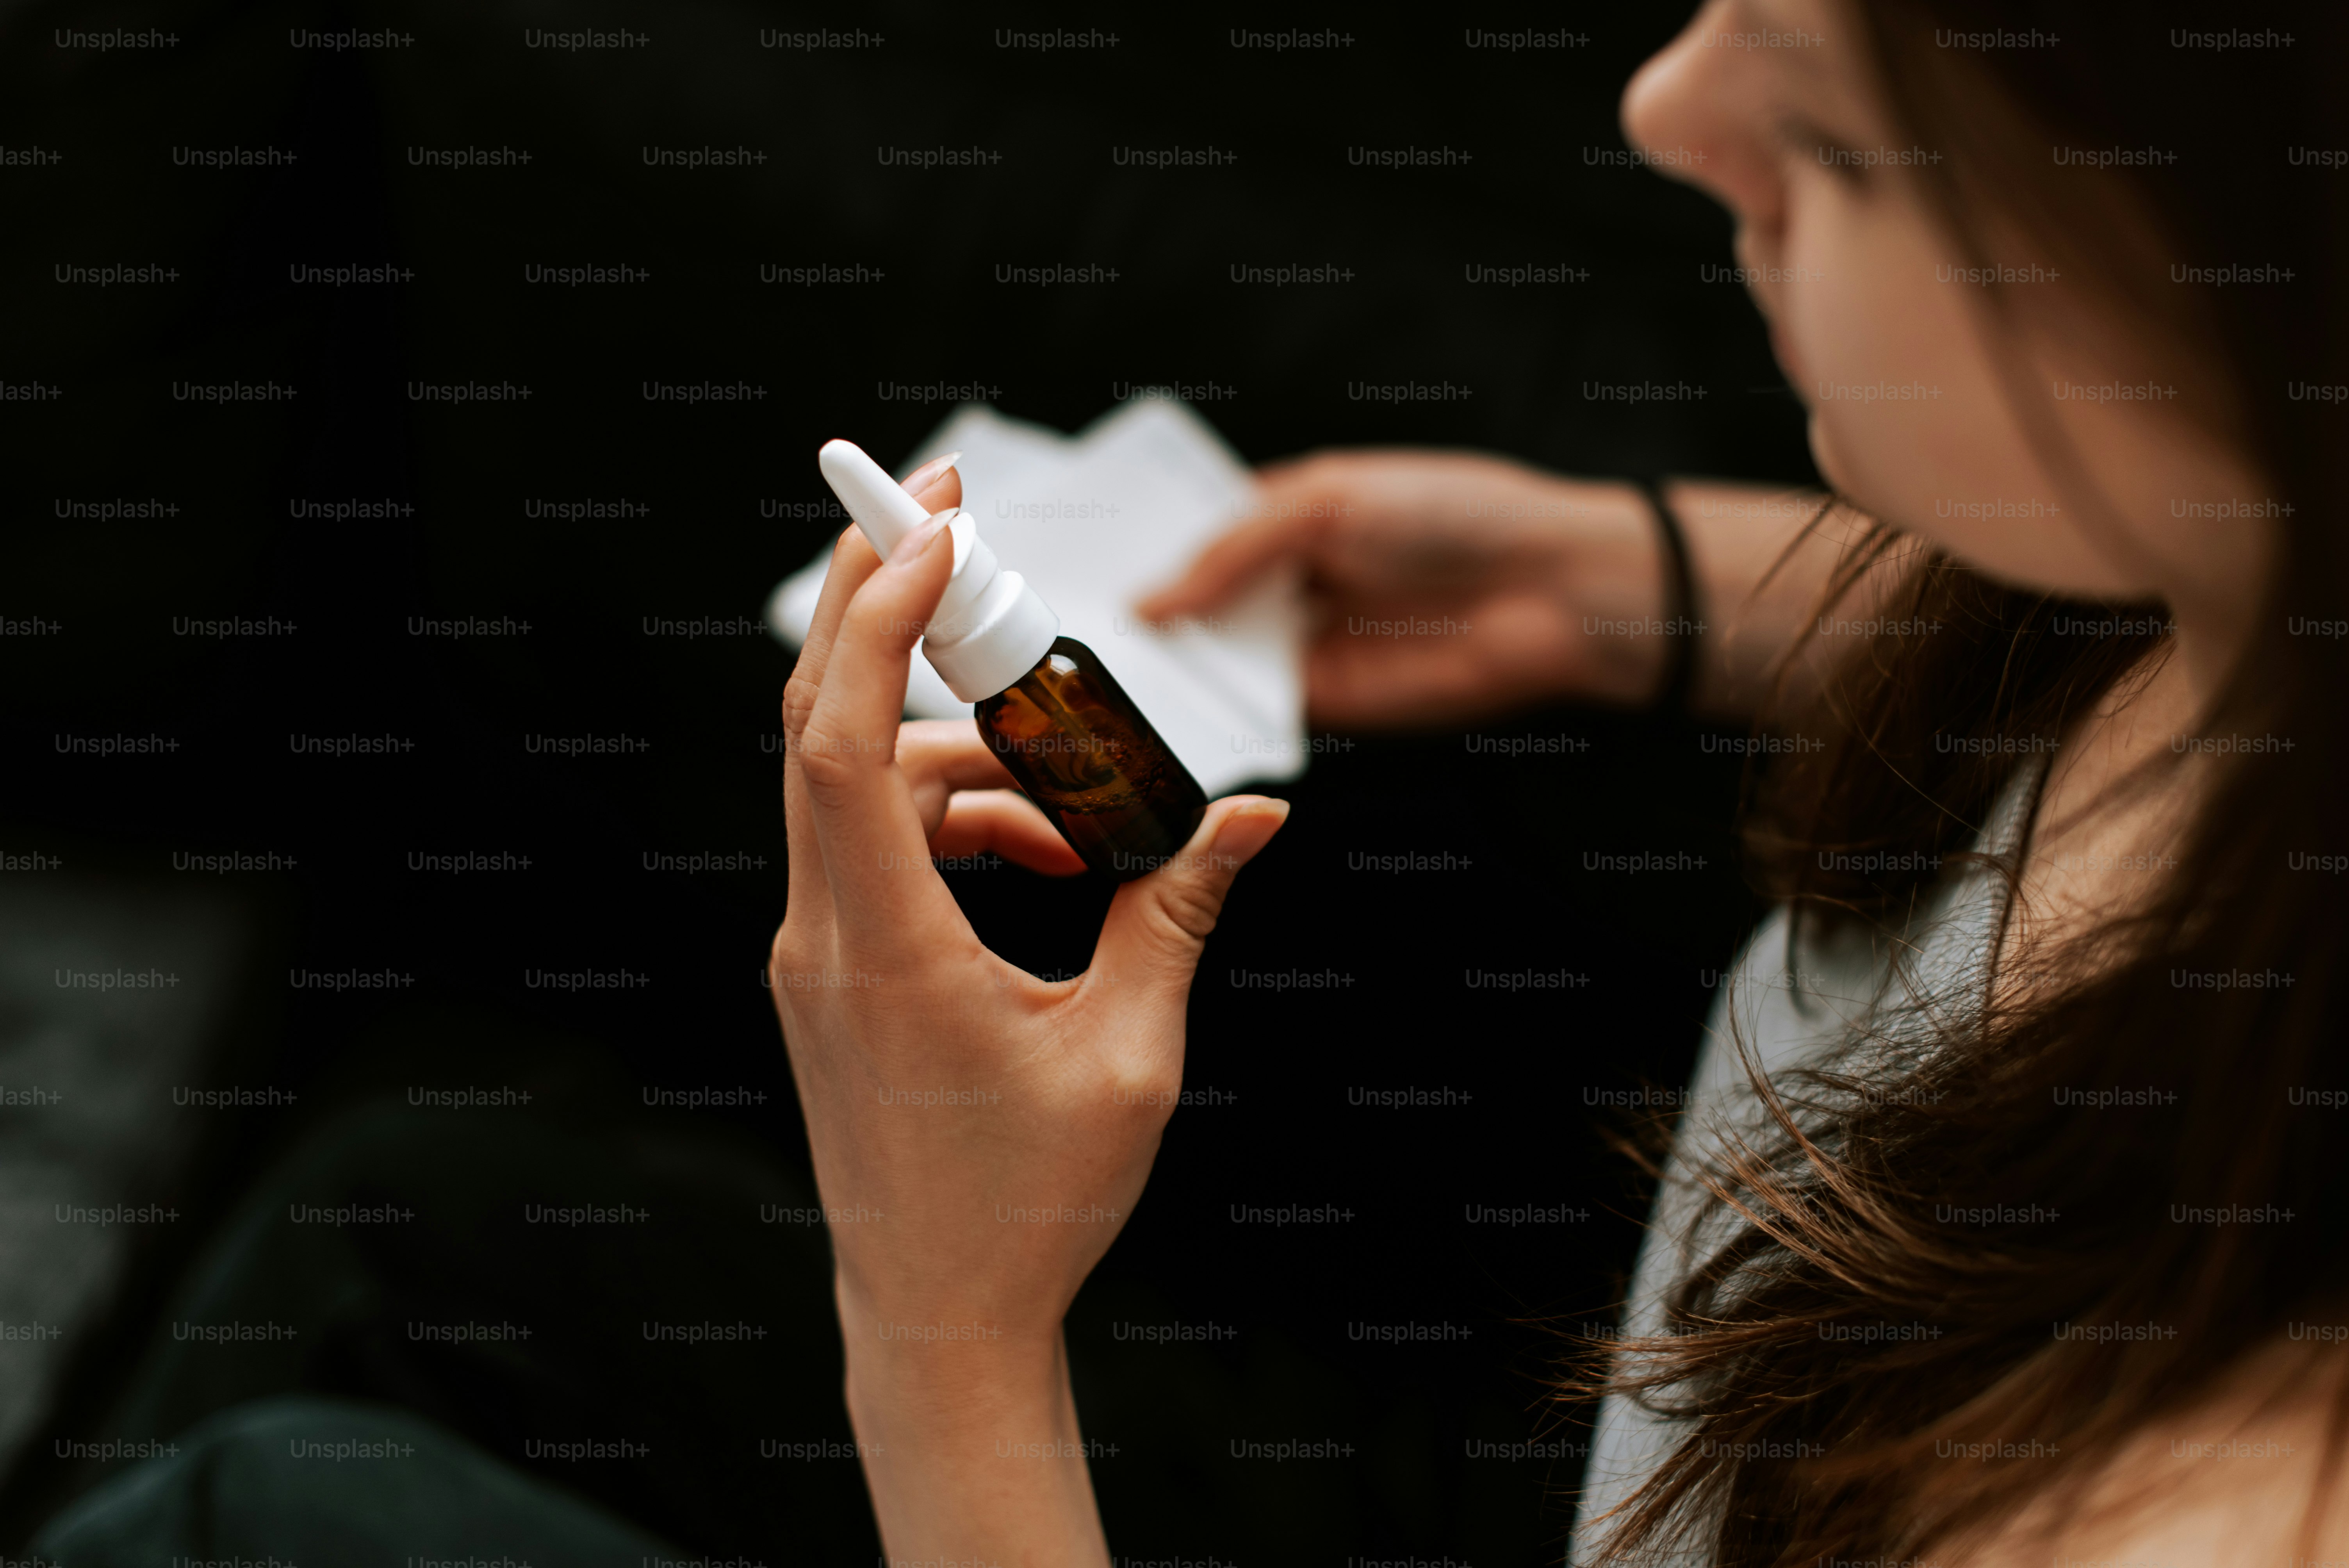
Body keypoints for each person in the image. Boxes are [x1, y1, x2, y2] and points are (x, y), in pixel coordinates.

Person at [770, 0, 2347, 1561]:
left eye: (1836, 140)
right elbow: (2177, 587)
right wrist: (1628, 584)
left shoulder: (2185, 1505)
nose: (1668, 109)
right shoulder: (2253, 611)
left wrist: (937, 1330)